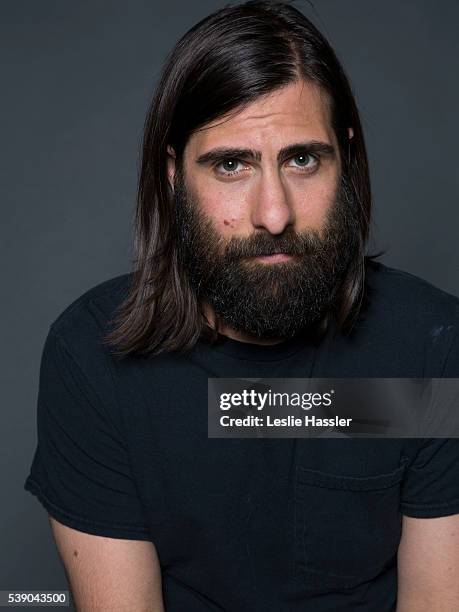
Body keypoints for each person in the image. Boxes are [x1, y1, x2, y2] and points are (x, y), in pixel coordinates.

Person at [24, 1, 459, 610]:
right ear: (174, 177)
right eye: (231, 164)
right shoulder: (93, 357)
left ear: (347, 161)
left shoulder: (435, 349)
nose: (273, 215)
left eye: (302, 159)